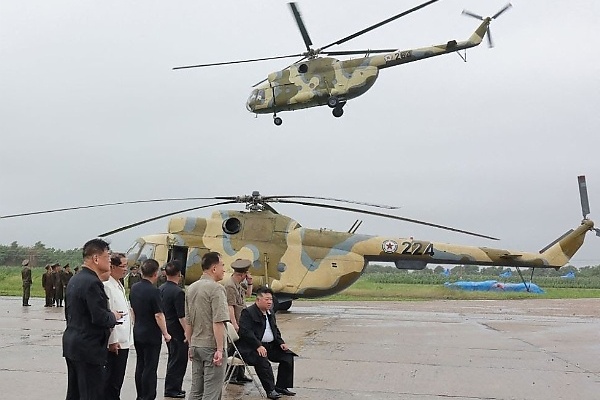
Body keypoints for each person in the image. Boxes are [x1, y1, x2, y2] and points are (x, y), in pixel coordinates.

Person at [62, 238, 123, 400]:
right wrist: (114, 316)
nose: (110, 262)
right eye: (107, 257)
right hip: (88, 347)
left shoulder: (76, 279)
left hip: (73, 344)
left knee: (75, 393)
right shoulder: (92, 283)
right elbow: (100, 317)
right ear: (96, 259)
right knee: (91, 394)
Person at [185, 251, 229, 400]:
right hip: (211, 346)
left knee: (196, 392)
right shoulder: (216, 289)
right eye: (222, 265)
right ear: (214, 268)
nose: (224, 269)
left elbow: (188, 321)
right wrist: (219, 349)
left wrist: (191, 345)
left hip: (196, 345)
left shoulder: (191, 288)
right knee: (212, 393)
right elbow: (218, 321)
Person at [238, 287, 296, 399]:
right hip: (251, 347)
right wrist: (258, 345)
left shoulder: (270, 312)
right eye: (266, 299)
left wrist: (281, 342)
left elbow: (275, 330)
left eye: (271, 299)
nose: (269, 302)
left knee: (287, 357)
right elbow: (245, 332)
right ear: (258, 300)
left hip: (270, 346)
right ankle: (270, 390)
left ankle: (281, 386)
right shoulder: (248, 312)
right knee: (263, 361)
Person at [129, 258, 171, 400]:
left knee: (140, 364)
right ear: (156, 273)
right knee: (150, 367)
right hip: (151, 333)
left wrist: (136, 324)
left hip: (138, 330)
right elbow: (159, 315)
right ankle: (148, 396)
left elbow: (133, 310)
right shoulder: (154, 291)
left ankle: (140, 394)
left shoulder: (134, 288)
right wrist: (166, 333)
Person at [103, 253, 134, 400]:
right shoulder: (107, 286)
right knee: (112, 380)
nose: (125, 269)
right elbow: (109, 314)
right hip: (116, 343)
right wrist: (112, 340)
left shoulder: (119, 284)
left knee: (118, 379)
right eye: (123, 266)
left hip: (125, 340)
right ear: (113, 267)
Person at [159, 261, 188, 398]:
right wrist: (187, 332)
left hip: (167, 325)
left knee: (173, 357)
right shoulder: (178, 292)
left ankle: (174, 386)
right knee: (179, 360)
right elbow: (181, 316)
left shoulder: (161, 288)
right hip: (176, 328)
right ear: (179, 274)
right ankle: (172, 388)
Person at [224, 258, 254, 385]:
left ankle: (240, 374)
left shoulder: (238, 284)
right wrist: (234, 323)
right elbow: (230, 306)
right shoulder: (230, 286)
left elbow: (248, 294)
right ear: (241, 274)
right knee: (233, 349)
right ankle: (232, 376)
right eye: (245, 275)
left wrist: (250, 283)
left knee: (241, 347)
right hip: (235, 321)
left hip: (241, 321)